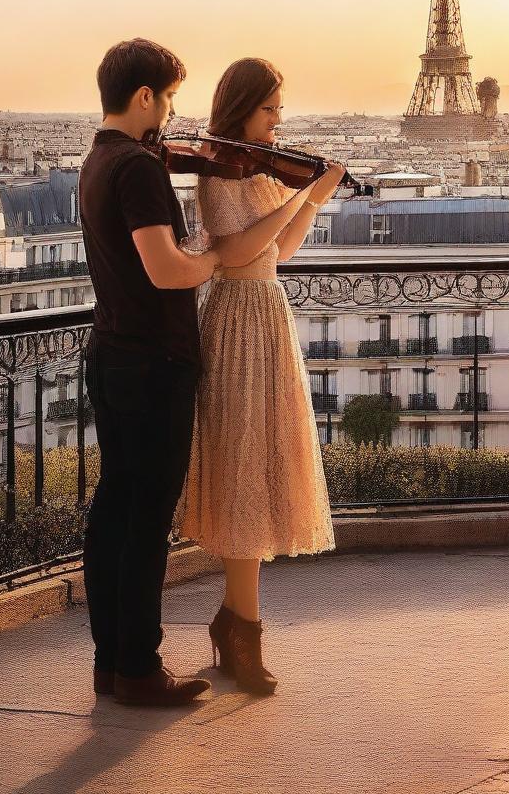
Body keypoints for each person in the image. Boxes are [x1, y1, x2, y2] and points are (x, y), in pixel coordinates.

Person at [175, 57, 345, 695]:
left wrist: (313, 199)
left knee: (262, 464)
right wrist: (301, 195)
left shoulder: (258, 168)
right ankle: (241, 632)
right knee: (243, 468)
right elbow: (237, 251)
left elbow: (281, 250)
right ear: (243, 107)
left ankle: (236, 624)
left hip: (266, 315)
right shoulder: (219, 170)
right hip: (239, 318)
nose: (279, 120)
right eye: (270, 107)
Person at [78, 37, 221, 707]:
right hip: (153, 362)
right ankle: (140, 667)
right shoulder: (137, 166)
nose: (170, 111)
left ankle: (111, 661)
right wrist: (211, 258)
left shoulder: (96, 160)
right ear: (144, 97)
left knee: (114, 510)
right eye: (167, 98)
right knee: (146, 519)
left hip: (111, 354)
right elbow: (165, 268)